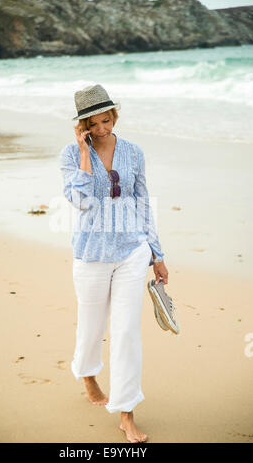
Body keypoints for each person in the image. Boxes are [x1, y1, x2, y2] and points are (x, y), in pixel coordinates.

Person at [59, 84, 168, 443]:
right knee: (90, 327)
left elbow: (142, 203)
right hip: (91, 254)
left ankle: (126, 412)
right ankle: (88, 375)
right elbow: (81, 201)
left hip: (131, 251)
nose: (103, 128)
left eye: (107, 119)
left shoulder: (134, 153)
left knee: (125, 333)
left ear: (114, 116)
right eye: (94, 123)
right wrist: (84, 154)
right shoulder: (69, 156)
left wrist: (157, 254)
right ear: (83, 126)